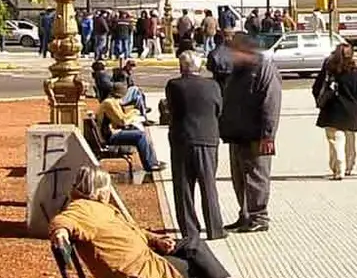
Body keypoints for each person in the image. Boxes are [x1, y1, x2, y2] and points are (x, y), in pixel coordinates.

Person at [48, 166, 272, 278]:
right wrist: (60, 234)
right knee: (197, 270)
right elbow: (63, 220)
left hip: (139, 261)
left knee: (193, 245)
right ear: (97, 190)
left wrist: (156, 240)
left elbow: (131, 231)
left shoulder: (95, 207)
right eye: (107, 188)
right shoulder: (82, 209)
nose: (108, 193)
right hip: (136, 274)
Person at [220, 32, 281, 231]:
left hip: (257, 134)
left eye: (235, 51)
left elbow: (271, 103)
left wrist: (268, 135)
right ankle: (245, 213)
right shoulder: (238, 70)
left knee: (256, 176)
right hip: (237, 134)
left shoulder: (264, 69)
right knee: (239, 177)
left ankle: (259, 217)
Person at [164, 49, 225, 241]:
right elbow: (218, 109)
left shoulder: (174, 85)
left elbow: (172, 109)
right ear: (200, 66)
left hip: (183, 139)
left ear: (181, 66)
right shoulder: (213, 85)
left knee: (183, 187)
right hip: (207, 138)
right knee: (208, 185)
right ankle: (215, 228)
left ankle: (190, 231)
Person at [311, 41, 357, 179]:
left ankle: (339, 166)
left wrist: (320, 101)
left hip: (332, 111)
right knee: (350, 140)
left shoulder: (330, 71)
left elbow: (316, 88)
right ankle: (349, 165)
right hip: (351, 111)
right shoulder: (356, 72)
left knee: (335, 140)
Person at [98, 77, 161, 173]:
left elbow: (120, 118)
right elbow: (122, 121)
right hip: (110, 136)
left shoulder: (112, 102)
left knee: (143, 134)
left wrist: (131, 114)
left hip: (114, 131)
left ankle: (154, 161)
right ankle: (149, 165)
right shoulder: (109, 103)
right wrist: (134, 113)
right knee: (140, 136)